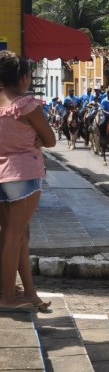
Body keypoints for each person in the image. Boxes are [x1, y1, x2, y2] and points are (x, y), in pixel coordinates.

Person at [0, 51, 57, 312]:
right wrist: (37, 138)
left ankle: (30, 294)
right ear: (23, 78)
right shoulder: (26, 105)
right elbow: (51, 139)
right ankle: (8, 297)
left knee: (16, 234)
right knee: (15, 235)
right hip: (23, 174)